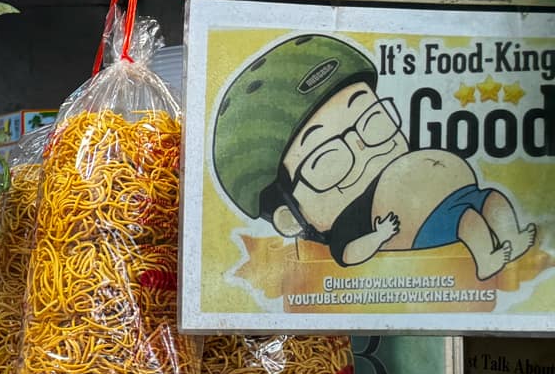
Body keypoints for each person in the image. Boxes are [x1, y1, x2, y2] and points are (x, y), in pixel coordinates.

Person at [210, 33, 534, 281]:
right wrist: (379, 235)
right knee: (469, 222)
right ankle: (488, 256)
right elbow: (351, 254)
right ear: (291, 219)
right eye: (327, 158)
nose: (364, 148)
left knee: (492, 201)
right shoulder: (350, 229)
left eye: (373, 120)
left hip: (460, 198)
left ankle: (512, 238)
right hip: (443, 228)